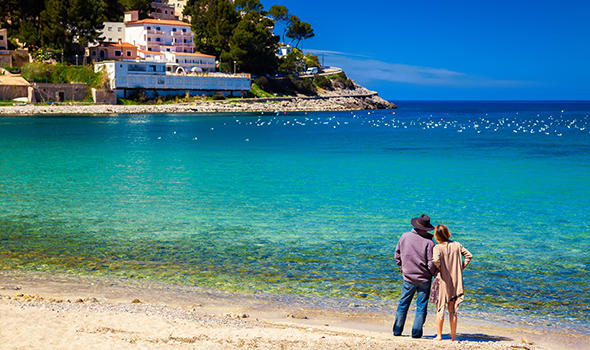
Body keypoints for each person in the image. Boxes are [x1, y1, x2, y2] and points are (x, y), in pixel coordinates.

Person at [393, 214, 437, 338]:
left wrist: (403, 269)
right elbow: (431, 264)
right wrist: (433, 274)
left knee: (403, 304)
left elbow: (397, 255)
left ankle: (397, 330)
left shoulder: (404, 237)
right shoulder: (429, 243)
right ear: (426, 228)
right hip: (424, 279)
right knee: (421, 306)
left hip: (408, 277)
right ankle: (416, 333)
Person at [432, 224, 472, 341]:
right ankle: (453, 337)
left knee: (440, 309)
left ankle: (439, 336)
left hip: (442, 281)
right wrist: (460, 268)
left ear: (437, 235)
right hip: (456, 281)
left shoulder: (437, 247)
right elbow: (469, 255)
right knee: (453, 311)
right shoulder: (457, 245)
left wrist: (441, 268)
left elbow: (435, 260)